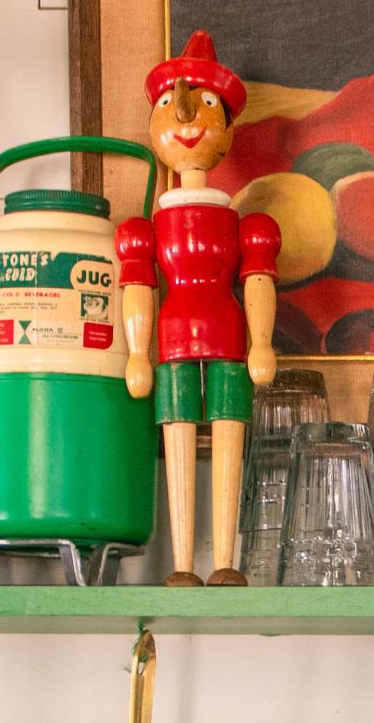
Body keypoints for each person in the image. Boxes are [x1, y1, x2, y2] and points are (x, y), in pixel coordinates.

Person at [115, 30, 279, 584]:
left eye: (208, 106)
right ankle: (184, 564)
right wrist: (137, 354)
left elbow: (256, 276)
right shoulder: (145, 229)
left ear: (227, 130)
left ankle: (226, 562)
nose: (186, 121)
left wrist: (261, 342)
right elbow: (139, 285)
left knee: (230, 434)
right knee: (178, 434)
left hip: (229, 334)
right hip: (173, 336)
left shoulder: (245, 223)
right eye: (169, 106)